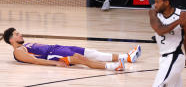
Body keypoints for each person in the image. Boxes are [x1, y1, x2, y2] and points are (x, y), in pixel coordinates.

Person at [1, 28, 141, 71]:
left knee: (90, 52)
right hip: (53, 54)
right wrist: (56, 63)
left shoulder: (23, 45)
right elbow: (35, 61)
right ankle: (114, 67)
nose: (21, 34)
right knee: (83, 60)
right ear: (11, 40)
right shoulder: (18, 51)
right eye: (17, 34)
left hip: (57, 48)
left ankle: (126, 57)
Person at [149, 0, 186, 87]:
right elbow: (160, 30)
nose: (155, 5)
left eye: (157, 2)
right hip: (163, 58)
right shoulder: (153, 13)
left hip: (175, 57)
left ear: (167, 3)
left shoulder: (182, 16)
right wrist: (178, 22)